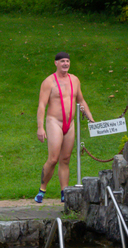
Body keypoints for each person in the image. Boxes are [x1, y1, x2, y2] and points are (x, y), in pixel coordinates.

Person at [34, 52, 95, 203]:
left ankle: (64, 192)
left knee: (65, 159)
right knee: (54, 159)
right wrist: (40, 127)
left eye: (67, 61)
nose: (65, 64)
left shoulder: (74, 80)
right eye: (62, 61)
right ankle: (42, 189)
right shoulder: (48, 82)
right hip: (54, 121)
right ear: (56, 63)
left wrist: (90, 118)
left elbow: (81, 100)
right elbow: (42, 105)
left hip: (70, 123)